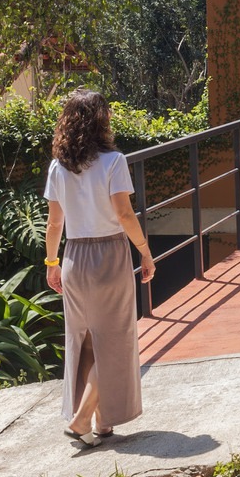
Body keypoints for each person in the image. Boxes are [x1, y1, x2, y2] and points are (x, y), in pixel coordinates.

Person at [43, 89, 155, 446]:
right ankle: (80, 421)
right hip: (109, 255)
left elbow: (54, 223)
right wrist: (145, 251)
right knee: (116, 342)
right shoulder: (113, 161)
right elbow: (123, 213)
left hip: (74, 257)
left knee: (86, 341)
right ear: (101, 121)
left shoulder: (58, 166)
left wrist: (51, 263)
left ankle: (101, 423)